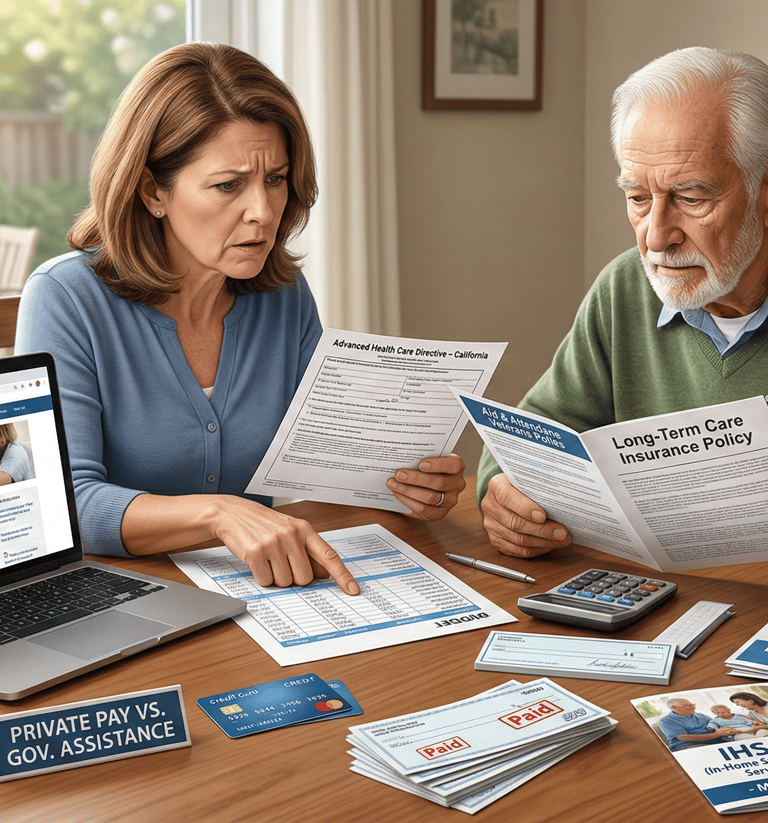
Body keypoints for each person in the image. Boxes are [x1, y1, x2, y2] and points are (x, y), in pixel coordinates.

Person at [14, 43, 465, 593]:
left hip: (261, 597)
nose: (263, 211)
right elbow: (64, 505)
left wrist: (406, 485)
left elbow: (331, 465)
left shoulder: (283, 295)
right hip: (118, 603)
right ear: (153, 191)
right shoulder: (65, 298)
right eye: (228, 185)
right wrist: (219, 514)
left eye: (276, 179)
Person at [477, 46, 768, 559]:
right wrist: (506, 493)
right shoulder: (627, 287)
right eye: (638, 198)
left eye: (691, 198)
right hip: (654, 592)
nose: (655, 238)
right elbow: (532, 436)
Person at [658, 697, 737, 751]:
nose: (694, 707)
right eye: (689, 706)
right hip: (692, 746)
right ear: (674, 707)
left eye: (693, 704)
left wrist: (726, 729)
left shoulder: (700, 715)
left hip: (716, 741)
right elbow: (684, 737)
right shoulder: (666, 720)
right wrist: (718, 734)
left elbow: (717, 724)